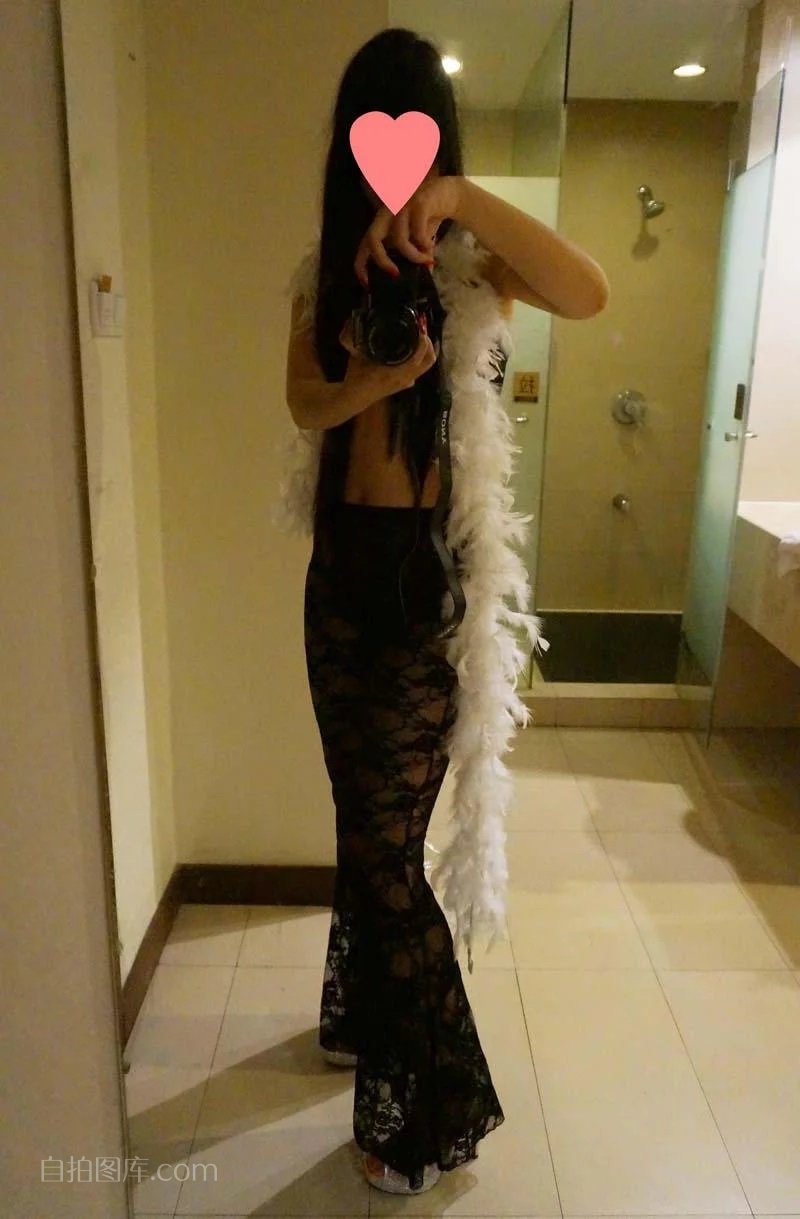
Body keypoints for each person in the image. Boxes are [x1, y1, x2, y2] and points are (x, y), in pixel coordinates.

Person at [280, 27, 609, 1197]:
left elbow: (588, 290)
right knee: (358, 826)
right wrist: (375, 376)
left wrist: (459, 199)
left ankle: (431, 1109)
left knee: (388, 852)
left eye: (418, 140)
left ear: (438, 146)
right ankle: (358, 1017)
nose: (396, 161)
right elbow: (304, 400)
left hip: (427, 581)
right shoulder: (327, 269)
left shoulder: (476, 261)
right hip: (341, 577)